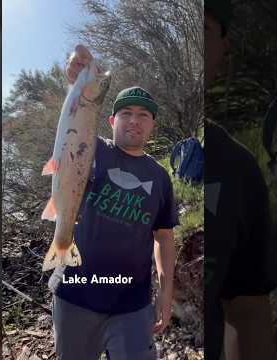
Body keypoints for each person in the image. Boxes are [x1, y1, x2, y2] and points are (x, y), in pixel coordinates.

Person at [48, 45, 179, 360]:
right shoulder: (92, 148)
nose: (134, 121)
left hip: (132, 306)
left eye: (143, 115)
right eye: (126, 113)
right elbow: (74, 124)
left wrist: (166, 291)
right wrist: (76, 81)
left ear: (152, 125)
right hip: (75, 297)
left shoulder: (160, 177)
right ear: (110, 120)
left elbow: (163, 237)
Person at [204, 1, 277, 359]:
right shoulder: (99, 153)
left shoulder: (239, 170)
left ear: (224, 47)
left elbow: (247, 313)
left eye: (202, 30)